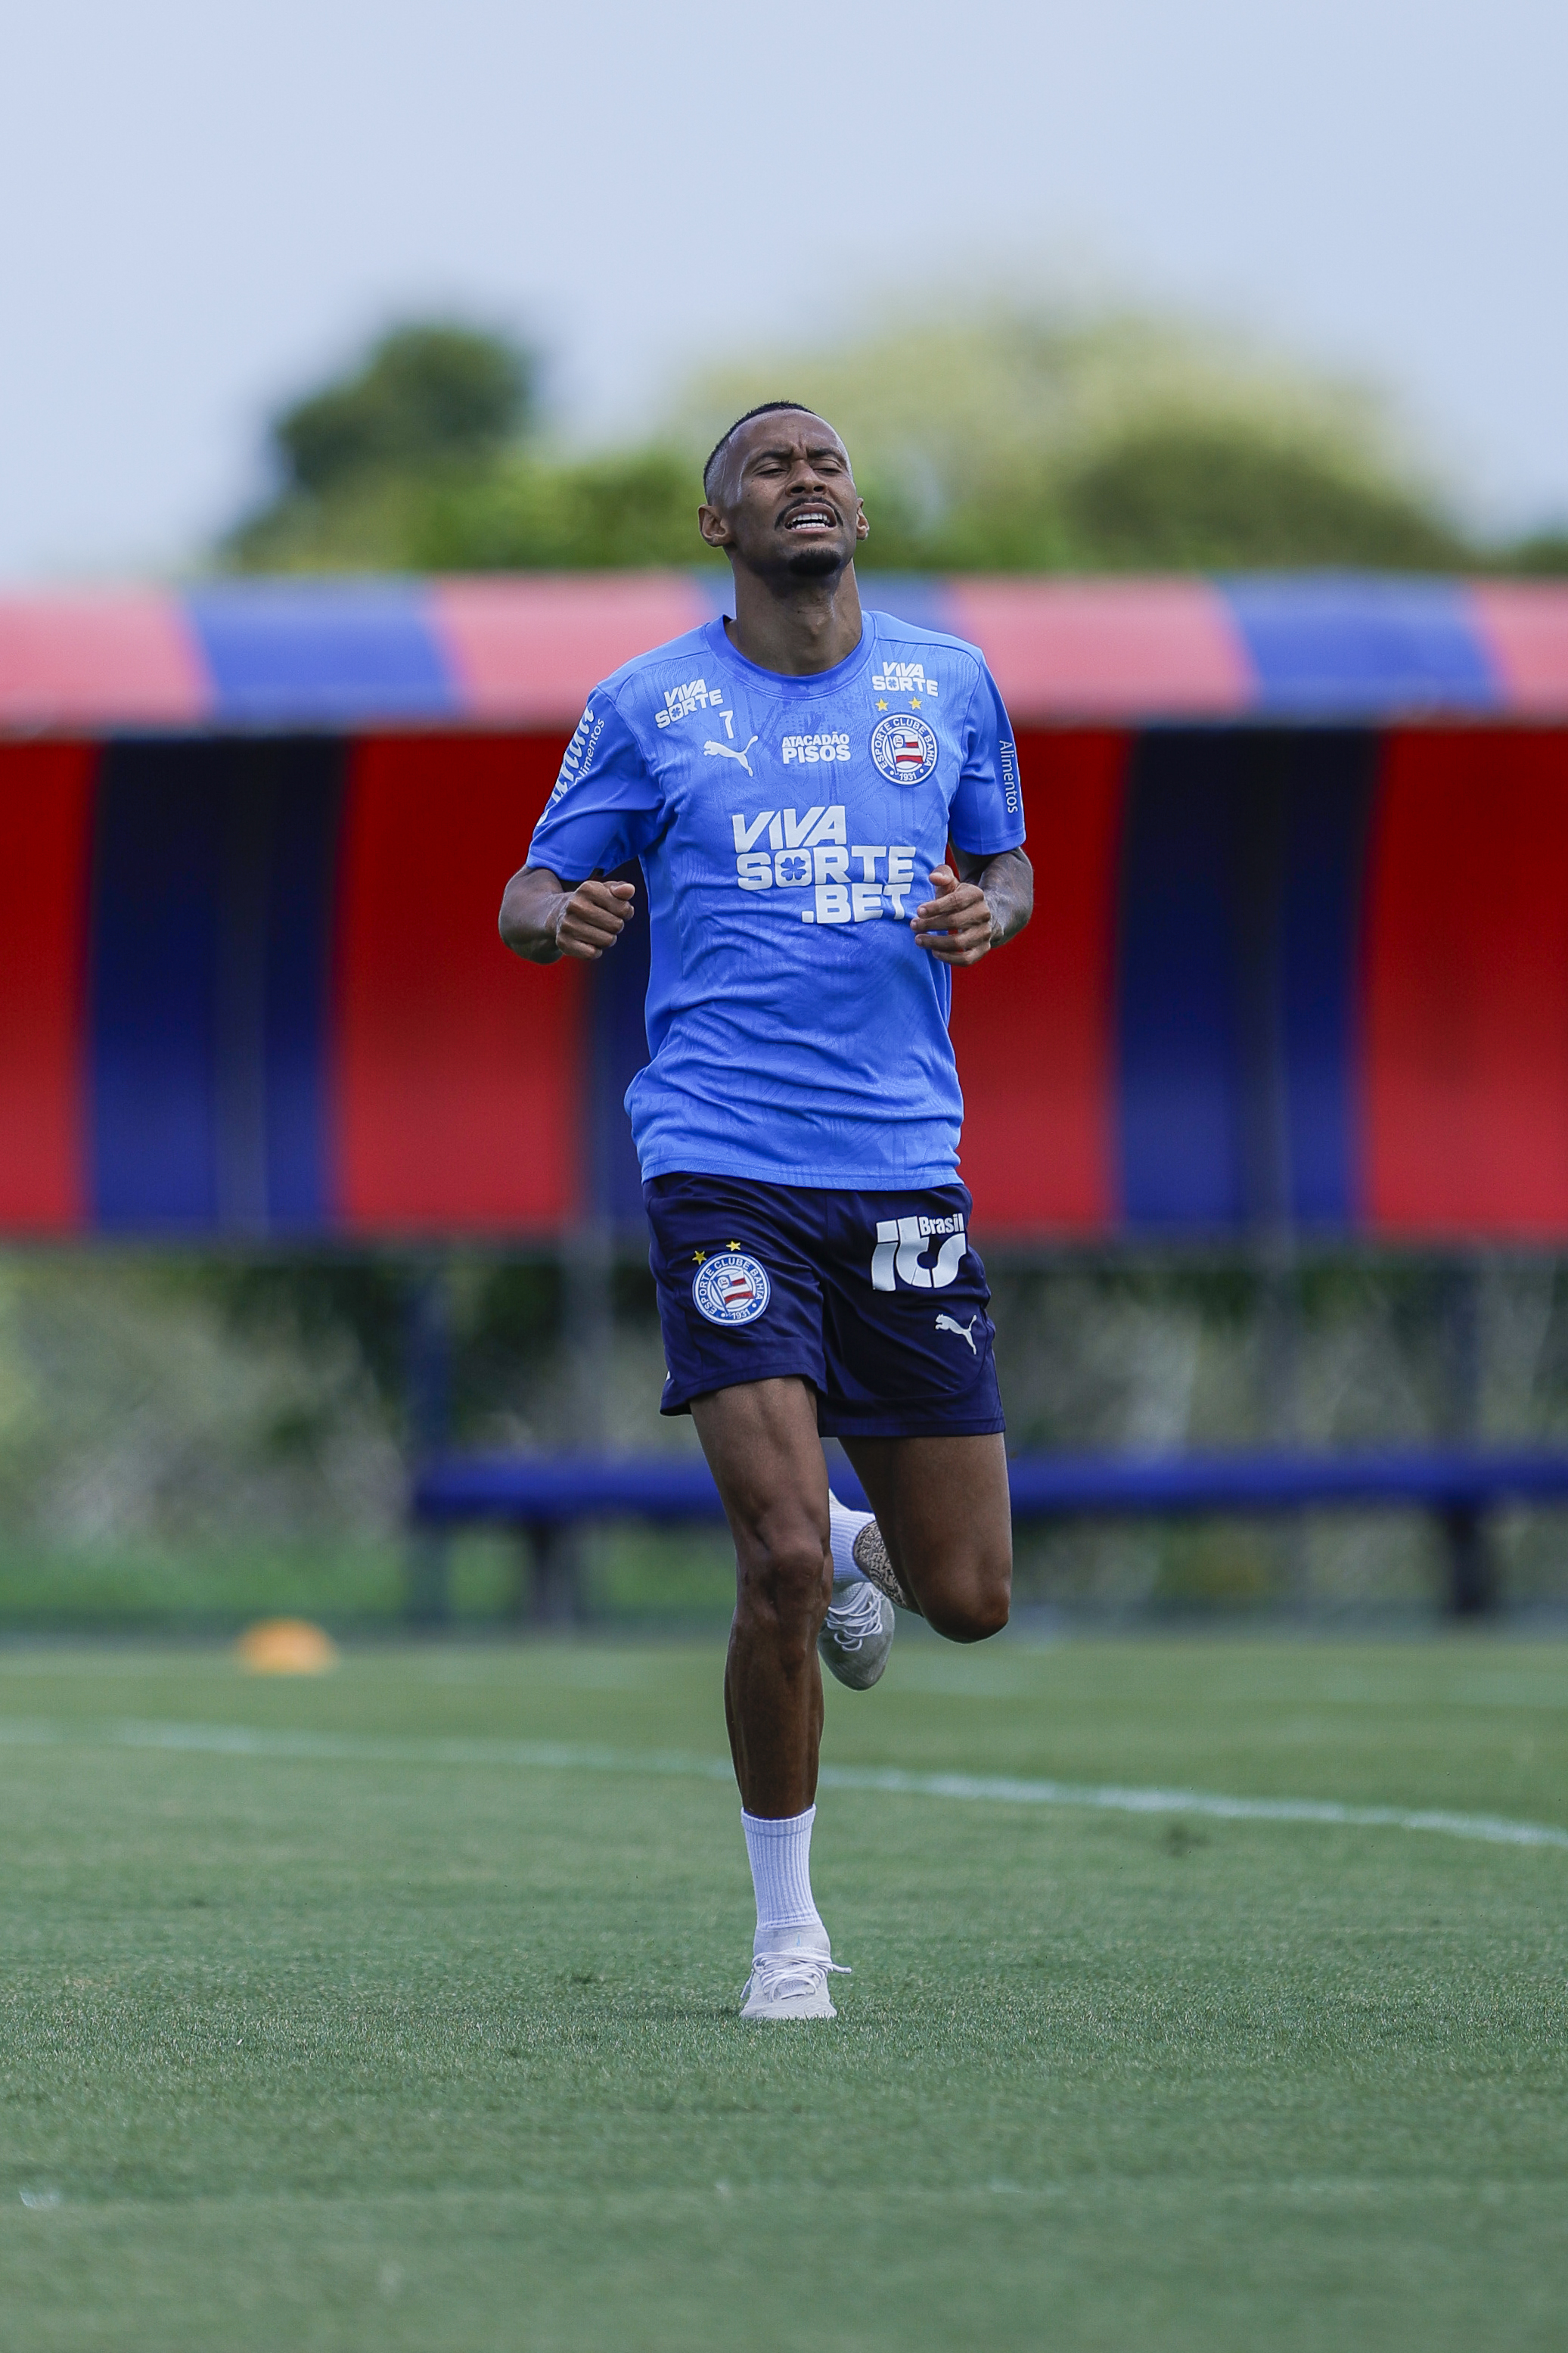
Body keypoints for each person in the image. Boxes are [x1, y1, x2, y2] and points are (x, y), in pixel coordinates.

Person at [500, 403, 1032, 2019]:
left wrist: (981, 913)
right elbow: (528, 890)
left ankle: (876, 1533)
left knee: (968, 1600)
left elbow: (1008, 873)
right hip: (719, 1163)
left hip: (901, 1171)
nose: (806, 480)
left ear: (857, 517)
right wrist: (561, 917)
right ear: (718, 525)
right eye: (768, 469)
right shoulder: (647, 705)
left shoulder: (947, 686)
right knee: (780, 1567)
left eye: (827, 465)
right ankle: (786, 1932)